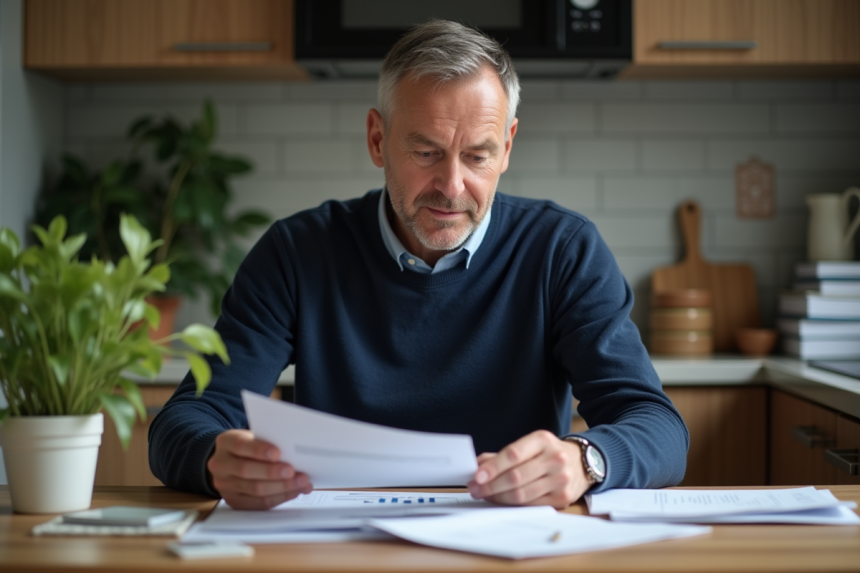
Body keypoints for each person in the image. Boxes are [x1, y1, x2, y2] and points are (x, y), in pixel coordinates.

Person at [149, 20, 688, 511]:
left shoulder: (563, 251)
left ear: (507, 146)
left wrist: (585, 461)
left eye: (477, 155)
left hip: (510, 545)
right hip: (337, 544)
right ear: (377, 139)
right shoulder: (296, 253)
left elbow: (658, 426)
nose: (452, 188)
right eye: (426, 152)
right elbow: (184, 420)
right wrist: (214, 458)